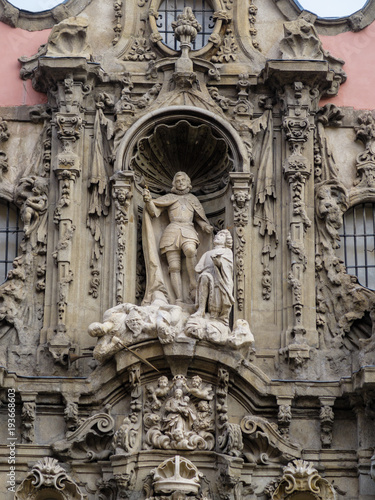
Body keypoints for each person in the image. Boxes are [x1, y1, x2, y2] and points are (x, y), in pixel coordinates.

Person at [143, 171, 212, 304]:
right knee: (174, 267)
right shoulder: (169, 197)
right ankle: (179, 299)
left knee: (191, 250)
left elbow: (199, 218)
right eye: (178, 181)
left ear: (188, 183)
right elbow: (154, 212)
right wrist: (148, 201)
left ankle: (193, 282)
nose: (180, 183)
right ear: (174, 183)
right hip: (172, 231)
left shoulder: (193, 199)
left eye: (183, 180)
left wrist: (205, 226)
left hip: (188, 228)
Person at [192, 229, 234, 325]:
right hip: (207, 275)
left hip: (219, 278)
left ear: (226, 241)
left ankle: (215, 315)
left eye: (222, 235)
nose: (217, 236)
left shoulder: (227, 251)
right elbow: (198, 268)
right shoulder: (207, 253)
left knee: (210, 281)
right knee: (204, 277)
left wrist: (219, 263)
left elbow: (228, 266)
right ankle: (201, 310)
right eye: (217, 235)